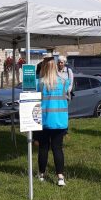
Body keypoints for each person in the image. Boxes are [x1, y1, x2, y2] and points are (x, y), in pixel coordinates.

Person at [37, 57, 69, 186]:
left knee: (43, 148)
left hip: (44, 120)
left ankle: (41, 174)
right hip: (60, 121)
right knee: (57, 149)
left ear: (44, 67)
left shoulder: (39, 83)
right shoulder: (64, 81)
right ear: (55, 67)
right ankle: (60, 177)